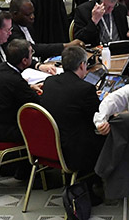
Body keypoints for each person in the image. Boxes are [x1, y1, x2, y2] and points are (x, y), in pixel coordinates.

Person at [38, 46, 104, 174]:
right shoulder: (85, 89)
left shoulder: (49, 82)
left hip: (50, 145)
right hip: (76, 151)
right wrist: (105, 100)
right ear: (82, 65)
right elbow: (99, 116)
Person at [0, 40, 40, 143]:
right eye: (31, 53)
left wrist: (28, 87)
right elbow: (38, 102)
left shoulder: (2, 67)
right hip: (4, 131)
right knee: (43, 128)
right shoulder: (16, 81)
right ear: (24, 61)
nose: (32, 55)